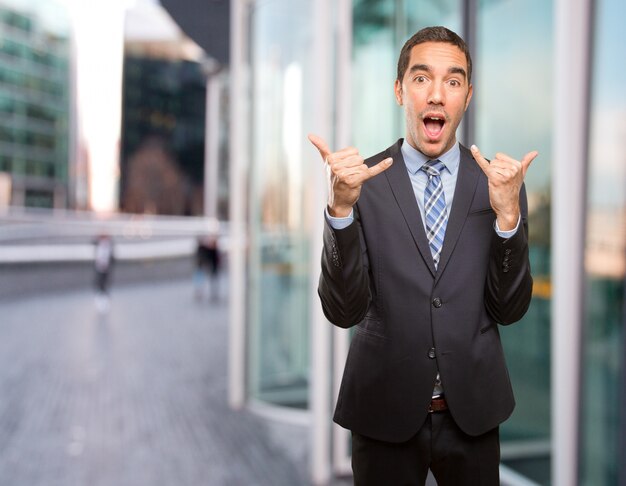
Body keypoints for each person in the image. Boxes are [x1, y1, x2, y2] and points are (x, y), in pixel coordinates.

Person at [309, 26, 536, 486]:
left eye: (452, 82)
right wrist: (340, 211)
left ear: (467, 96)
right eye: (421, 78)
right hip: (383, 409)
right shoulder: (361, 185)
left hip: (472, 411)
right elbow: (343, 310)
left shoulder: (497, 185)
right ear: (399, 90)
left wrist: (508, 216)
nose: (437, 94)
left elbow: (509, 310)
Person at [93, 233, 114, 313]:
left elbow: (112, 257)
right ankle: (101, 299)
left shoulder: (110, 245)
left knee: (105, 284)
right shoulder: (99, 244)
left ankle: (105, 300)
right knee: (100, 284)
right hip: (100, 269)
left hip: (107, 269)